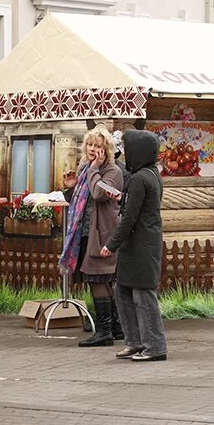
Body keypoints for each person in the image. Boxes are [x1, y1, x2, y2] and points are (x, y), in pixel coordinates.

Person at [100, 130, 168, 361]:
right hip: (139, 244)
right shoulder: (150, 174)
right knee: (123, 292)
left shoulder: (141, 178)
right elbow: (135, 203)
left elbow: (130, 217)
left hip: (141, 245)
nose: (126, 155)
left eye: (129, 151)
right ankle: (135, 342)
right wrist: (123, 197)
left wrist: (111, 244)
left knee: (143, 296)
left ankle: (155, 346)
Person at [59, 126, 124, 347]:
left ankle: (104, 331)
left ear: (106, 149)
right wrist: (71, 187)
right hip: (86, 233)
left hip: (102, 233)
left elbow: (98, 193)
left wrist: (94, 169)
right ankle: (116, 327)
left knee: (99, 277)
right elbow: (80, 202)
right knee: (101, 279)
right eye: (90, 145)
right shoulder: (86, 168)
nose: (93, 149)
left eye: (98, 146)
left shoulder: (112, 172)